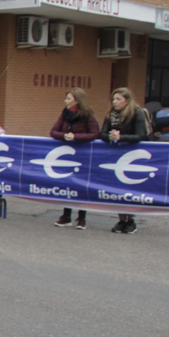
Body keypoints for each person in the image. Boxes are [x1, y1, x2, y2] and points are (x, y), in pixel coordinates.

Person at [100, 87, 150, 234]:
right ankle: (122, 219)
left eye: (118, 99)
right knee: (117, 188)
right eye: (114, 99)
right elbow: (102, 133)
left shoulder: (136, 113)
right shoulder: (110, 114)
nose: (115, 102)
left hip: (133, 156)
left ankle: (131, 220)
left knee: (130, 189)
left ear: (127, 101)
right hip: (115, 155)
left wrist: (121, 137)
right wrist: (110, 136)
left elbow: (140, 135)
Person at [50, 88, 99, 229]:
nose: (66, 101)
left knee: (81, 186)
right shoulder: (64, 114)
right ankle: (66, 215)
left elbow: (95, 133)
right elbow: (54, 131)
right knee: (67, 184)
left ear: (77, 100)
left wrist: (77, 137)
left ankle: (82, 217)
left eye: (69, 98)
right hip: (66, 155)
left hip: (82, 154)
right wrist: (64, 136)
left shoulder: (87, 115)